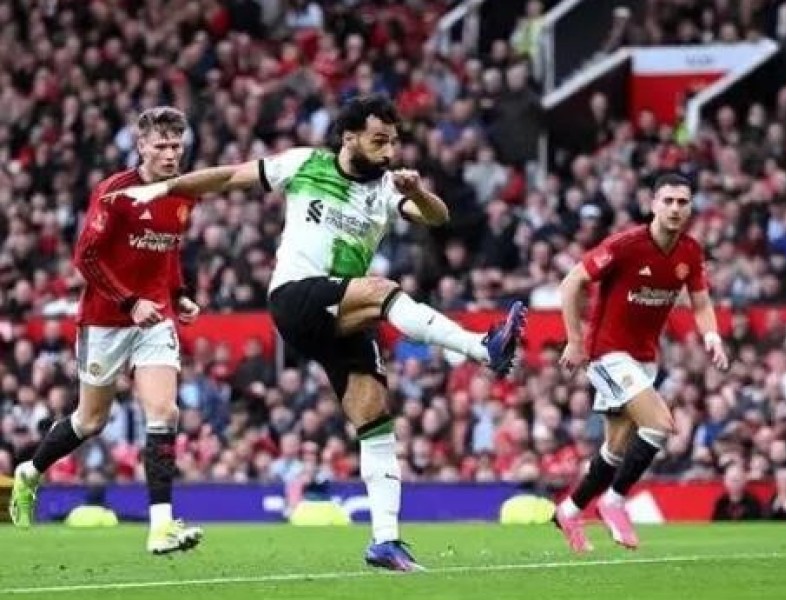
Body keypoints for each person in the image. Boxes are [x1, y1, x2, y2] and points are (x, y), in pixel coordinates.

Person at [105, 95, 526, 572]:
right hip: (297, 297)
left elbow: (437, 218)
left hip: (345, 314)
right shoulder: (305, 164)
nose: (389, 152)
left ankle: (385, 542)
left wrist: (420, 192)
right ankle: (482, 347)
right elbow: (228, 176)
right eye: (379, 141)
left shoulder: (389, 186)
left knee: (375, 418)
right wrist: (161, 191)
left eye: (393, 142)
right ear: (349, 137)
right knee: (383, 289)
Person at [9, 107, 205, 555]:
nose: (171, 154)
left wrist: (179, 295)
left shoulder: (183, 194)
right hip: (106, 319)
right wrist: (129, 302)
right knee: (90, 420)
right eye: (161, 145)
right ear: (141, 146)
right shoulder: (114, 193)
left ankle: (160, 527)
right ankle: (30, 472)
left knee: (164, 412)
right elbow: (86, 258)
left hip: (155, 318)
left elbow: (168, 253)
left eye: (177, 145)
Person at [553, 173, 728, 553]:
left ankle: (569, 510)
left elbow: (700, 301)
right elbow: (571, 283)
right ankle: (614, 500)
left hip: (644, 357)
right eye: (668, 201)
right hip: (606, 353)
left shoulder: (690, 252)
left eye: (683, 202)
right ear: (652, 204)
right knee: (661, 424)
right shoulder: (626, 245)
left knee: (615, 447)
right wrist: (575, 340)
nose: (675, 209)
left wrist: (712, 336)